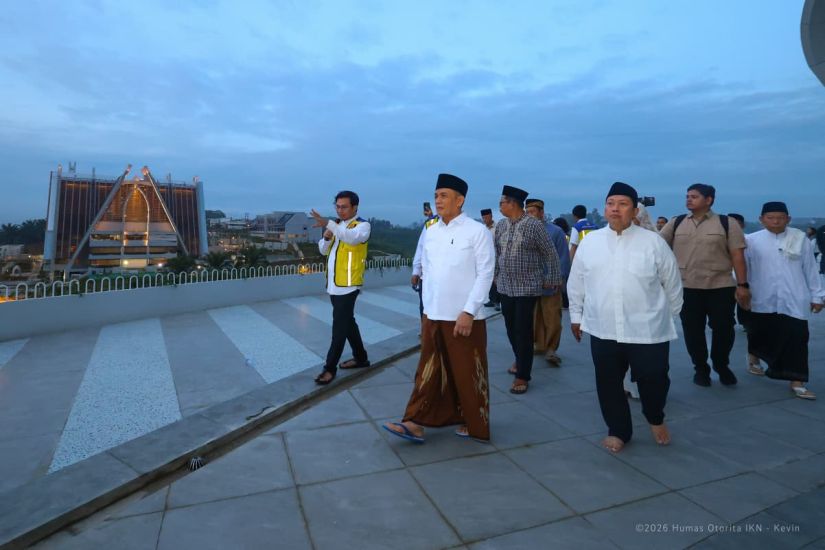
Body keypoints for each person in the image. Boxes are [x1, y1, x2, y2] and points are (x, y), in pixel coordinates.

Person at [568, 182, 683, 453]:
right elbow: (577, 282)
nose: (615, 209)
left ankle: (655, 417)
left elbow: (673, 284)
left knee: (654, 379)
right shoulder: (590, 242)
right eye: (610, 204)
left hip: (648, 329)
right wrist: (576, 316)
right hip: (603, 327)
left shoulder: (653, 243)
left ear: (635, 210)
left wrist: (668, 317)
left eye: (622, 204)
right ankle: (618, 430)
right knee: (608, 383)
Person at [383, 174, 495, 443]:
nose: (438, 200)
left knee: (467, 373)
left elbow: (486, 274)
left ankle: (474, 424)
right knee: (428, 372)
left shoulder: (476, 231)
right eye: (436, 196)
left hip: (464, 318)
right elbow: (427, 270)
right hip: (433, 315)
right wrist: (426, 312)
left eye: (444, 196)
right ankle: (414, 422)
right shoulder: (431, 231)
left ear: (460, 200)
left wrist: (469, 311)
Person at [659, 184, 749, 387]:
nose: (689, 199)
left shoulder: (726, 223)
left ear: (709, 200)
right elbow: (656, 244)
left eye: (694, 196)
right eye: (687, 196)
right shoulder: (676, 222)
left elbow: (737, 256)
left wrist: (743, 285)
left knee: (724, 328)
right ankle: (700, 368)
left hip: (720, 286)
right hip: (687, 287)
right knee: (693, 331)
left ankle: (721, 364)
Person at [745, 202, 824, 400]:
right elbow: (741, 269)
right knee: (762, 334)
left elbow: (810, 269)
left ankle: (797, 381)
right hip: (762, 297)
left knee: (798, 338)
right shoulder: (751, 240)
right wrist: (741, 290)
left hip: (794, 297)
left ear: (788, 219)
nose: (775, 222)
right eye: (770, 218)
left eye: (780, 218)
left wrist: (817, 296)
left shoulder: (800, 239)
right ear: (761, 219)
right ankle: (754, 357)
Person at [496, 186, 562, 394]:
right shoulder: (501, 225)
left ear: (512, 203)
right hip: (505, 286)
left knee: (523, 330)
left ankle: (523, 375)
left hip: (527, 287)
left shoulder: (533, 226)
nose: (500, 206)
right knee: (510, 327)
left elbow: (550, 253)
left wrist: (552, 279)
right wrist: (495, 276)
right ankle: (520, 358)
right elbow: (496, 253)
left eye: (502, 202)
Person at [310, 191, 371, 385]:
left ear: (355, 207)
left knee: (339, 328)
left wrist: (330, 225)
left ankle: (329, 368)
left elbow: (351, 238)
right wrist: (327, 237)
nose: (340, 210)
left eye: (344, 207)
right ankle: (361, 358)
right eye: (337, 206)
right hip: (334, 285)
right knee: (348, 323)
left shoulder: (362, 226)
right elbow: (322, 250)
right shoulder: (337, 226)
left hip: (349, 286)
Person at [526, 198, 571, 365]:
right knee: (534, 318)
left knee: (552, 318)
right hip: (530, 284)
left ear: (541, 213)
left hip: (551, 284)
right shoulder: (524, 231)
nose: (529, 215)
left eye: (532, 212)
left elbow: (563, 258)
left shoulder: (555, 232)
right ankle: (539, 345)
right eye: (527, 212)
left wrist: (558, 279)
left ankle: (551, 349)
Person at [412, 206, 439, 319]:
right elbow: (421, 248)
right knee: (425, 309)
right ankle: (425, 328)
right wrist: (416, 271)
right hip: (426, 277)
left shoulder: (461, 226)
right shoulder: (430, 223)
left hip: (445, 278)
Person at [727, 213, 750, 333]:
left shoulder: (750, 240)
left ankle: (746, 322)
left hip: (744, 277)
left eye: (737, 223)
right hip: (725, 278)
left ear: (743, 225)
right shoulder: (719, 240)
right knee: (726, 304)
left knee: (744, 301)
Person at [481, 208, 501, 311]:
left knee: (496, 279)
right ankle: (491, 299)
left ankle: (497, 302)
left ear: (491, 216)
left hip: (496, 257)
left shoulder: (497, 228)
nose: (485, 219)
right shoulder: (482, 229)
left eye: (487, 217)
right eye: (483, 218)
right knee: (488, 279)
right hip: (486, 258)